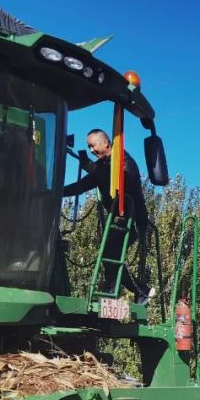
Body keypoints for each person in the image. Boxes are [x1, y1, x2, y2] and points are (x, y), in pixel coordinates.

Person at [62, 128, 150, 301]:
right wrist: (90, 169)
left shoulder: (124, 163)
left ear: (105, 143)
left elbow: (113, 181)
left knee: (109, 255)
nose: (91, 150)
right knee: (109, 256)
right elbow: (92, 180)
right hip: (120, 220)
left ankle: (137, 290)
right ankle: (121, 290)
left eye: (93, 146)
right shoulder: (106, 164)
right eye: (89, 147)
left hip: (128, 220)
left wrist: (56, 190)